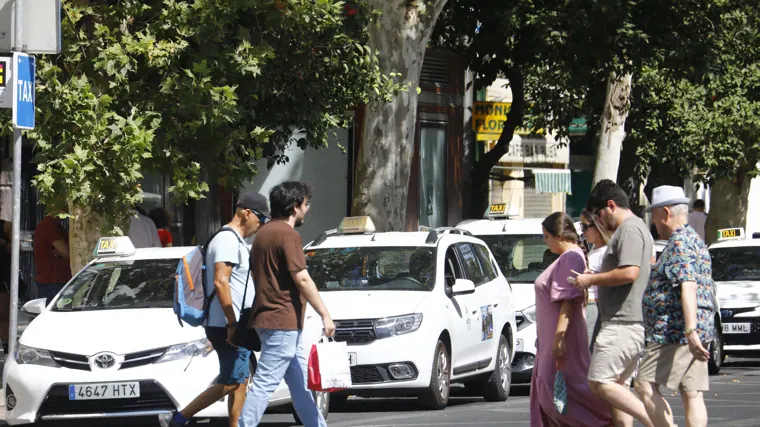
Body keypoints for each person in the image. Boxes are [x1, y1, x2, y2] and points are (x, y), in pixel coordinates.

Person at [165, 192, 270, 427]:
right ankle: (181, 417)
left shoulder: (235, 241)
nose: (261, 225)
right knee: (233, 380)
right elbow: (221, 281)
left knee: (241, 379)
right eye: (261, 219)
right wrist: (232, 324)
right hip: (226, 324)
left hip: (233, 322)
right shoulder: (227, 241)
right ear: (247, 213)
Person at [239, 181, 336, 427]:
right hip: (281, 320)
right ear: (295, 207)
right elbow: (301, 278)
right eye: (306, 205)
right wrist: (325, 315)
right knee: (264, 384)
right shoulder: (288, 235)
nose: (307, 210)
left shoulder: (263, 234)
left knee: (301, 386)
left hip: (274, 320)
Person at [573, 180, 655, 427]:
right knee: (619, 387)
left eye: (598, 215)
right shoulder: (634, 228)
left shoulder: (629, 230)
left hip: (622, 323)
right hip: (626, 321)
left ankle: (657, 422)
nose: (598, 221)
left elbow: (630, 272)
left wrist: (591, 279)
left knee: (599, 382)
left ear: (610, 206)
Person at [634, 186, 714, 427]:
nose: (654, 222)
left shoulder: (679, 243)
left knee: (644, 385)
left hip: (673, 331)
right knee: (692, 393)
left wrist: (690, 331)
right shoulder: (695, 241)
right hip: (698, 329)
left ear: (666, 213)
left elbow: (688, 285)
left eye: (654, 215)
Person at [530, 212, 612, 426]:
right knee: (556, 393)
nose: (545, 242)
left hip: (561, 338)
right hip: (552, 337)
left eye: (546, 236)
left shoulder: (571, 256)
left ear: (557, 235)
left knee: (558, 394)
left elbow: (568, 299)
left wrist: (559, 337)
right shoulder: (569, 256)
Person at [580, 209, 612, 353]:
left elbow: (608, 279)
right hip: (587, 304)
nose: (583, 232)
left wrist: (590, 277)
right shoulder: (594, 250)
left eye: (585, 227)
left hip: (594, 304)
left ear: (598, 228)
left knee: (589, 352)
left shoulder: (604, 252)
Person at [33, 213, 72, 305]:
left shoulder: (57, 226)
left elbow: (63, 250)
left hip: (57, 280)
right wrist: (64, 248)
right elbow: (66, 252)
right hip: (52, 281)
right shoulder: (48, 225)